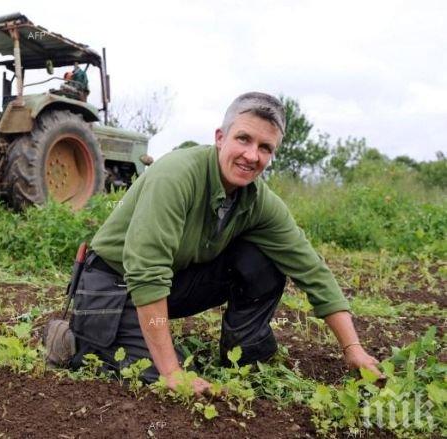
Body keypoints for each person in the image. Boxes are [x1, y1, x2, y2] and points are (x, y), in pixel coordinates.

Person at [44, 92, 384, 394]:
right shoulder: (177, 175)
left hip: (172, 283)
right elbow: (147, 270)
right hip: (113, 283)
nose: (252, 155)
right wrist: (173, 371)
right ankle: (77, 339)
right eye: (244, 139)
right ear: (221, 138)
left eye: (265, 148)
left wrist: (352, 348)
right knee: (155, 373)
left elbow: (310, 268)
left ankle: (243, 351)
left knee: (261, 260)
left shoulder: (256, 199)